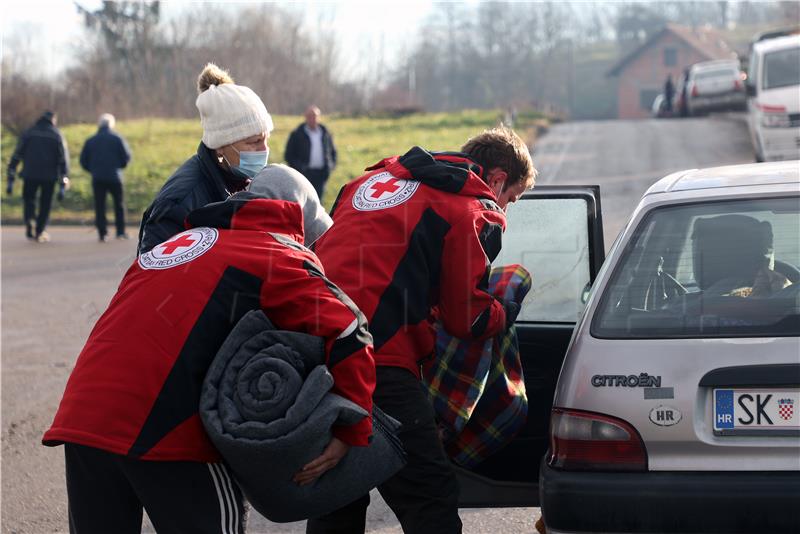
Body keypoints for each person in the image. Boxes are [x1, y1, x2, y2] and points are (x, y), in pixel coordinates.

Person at [42, 170, 376, 534]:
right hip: (165, 430)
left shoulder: (177, 244)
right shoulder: (276, 254)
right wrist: (351, 431)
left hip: (83, 419)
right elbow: (348, 329)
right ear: (300, 222)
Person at [306, 126, 536, 534]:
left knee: (338, 491)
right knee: (429, 499)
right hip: (378, 356)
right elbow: (467, 318)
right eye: (512, 199)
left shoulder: (371, 179)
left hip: (311, 348)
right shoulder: (472, 208)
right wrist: (507, 309)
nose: (507, 207)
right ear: (498, 179)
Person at [137, 63, 273, 255]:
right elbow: (153, 274)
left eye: (266, 139)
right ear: (220, 146)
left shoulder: (247, 182)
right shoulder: (181, 202)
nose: (264, 149)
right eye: (254, 142)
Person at [6, 110, 70, 243]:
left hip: (30, 174)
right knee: (45, 204)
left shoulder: (29, 132)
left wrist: (12, 169)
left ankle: (30, 219)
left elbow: (18, 153)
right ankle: (40, 230)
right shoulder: (56, 135)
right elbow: (63, 159)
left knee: (29, 199)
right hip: (49, 176)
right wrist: (64, 178)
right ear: (53, 120)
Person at [80, 113, 132, 242]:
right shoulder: (117, 139)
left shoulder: (91, 140)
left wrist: (92, 170)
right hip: (115, 176)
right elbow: (126, 157)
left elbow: (83, 160)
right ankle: (120, 232)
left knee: (100, 205)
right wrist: (119, 167)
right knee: (119, 205)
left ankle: (102, 233)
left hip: (97, 177)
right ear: (112, 124)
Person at [284, 105, 337, 200]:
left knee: (318, 201)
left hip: (321, 174)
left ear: (319, 117)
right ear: (305, 117)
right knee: (303, 200)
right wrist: (300, 168)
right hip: (304, 174)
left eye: (315, 116)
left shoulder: (325, 133)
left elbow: (333, 151)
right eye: (310, 116)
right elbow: (289, 155)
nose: (312, 118)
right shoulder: (297, 133)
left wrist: (330, 167)